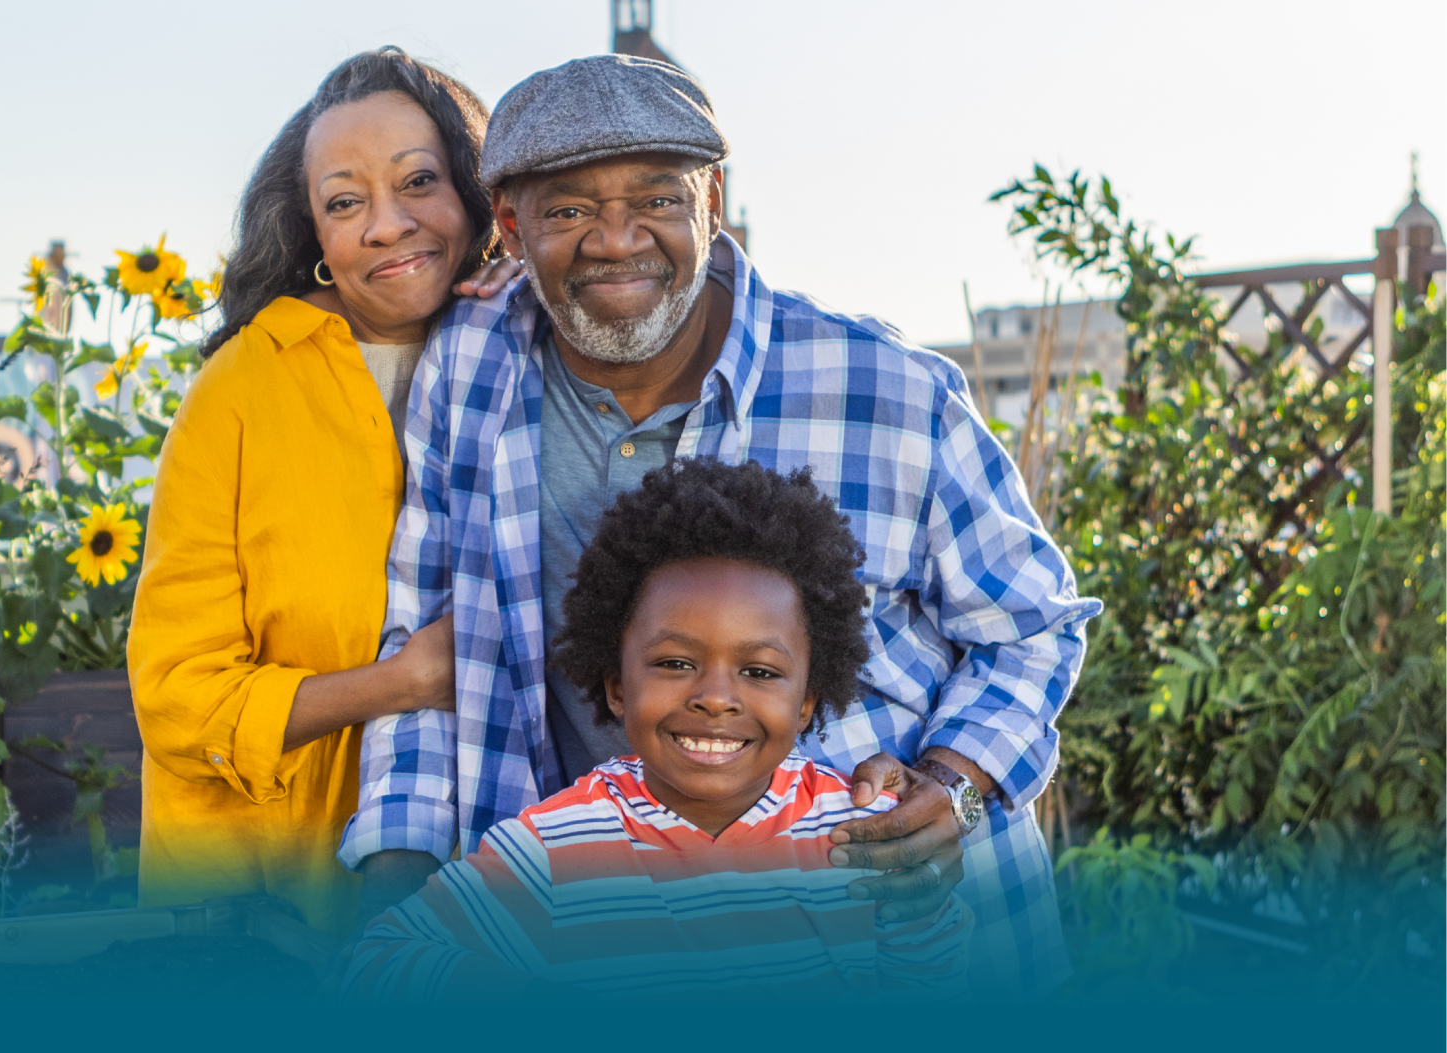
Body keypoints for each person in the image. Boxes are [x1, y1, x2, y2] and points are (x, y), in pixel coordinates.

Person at [339, 54, 1100, 997]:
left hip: (905, 943)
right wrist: (397, 892)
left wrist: (956, 784)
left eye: (657, 199)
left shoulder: (888, 390)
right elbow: (430, 635)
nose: (617, 240)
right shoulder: (472, 369)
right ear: (510, 225)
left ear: (714, 199)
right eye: (569, 211)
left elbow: (1031, 627)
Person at [127, 49, 519, 934]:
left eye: (419, 181)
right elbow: (176, 697)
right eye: (345, 202)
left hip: (486, 904)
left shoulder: (529, 357)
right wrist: (399, 683)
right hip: (260, 908)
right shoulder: (242, 390)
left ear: (476, 194)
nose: (386, 225)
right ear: (312, 232)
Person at [343, 460, 975, 1002]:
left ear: (808, 702)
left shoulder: (861, 831)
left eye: (759, 670)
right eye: (675, 663)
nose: (714, 698)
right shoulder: (559, 843)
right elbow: (378, 963)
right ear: (617, 686)